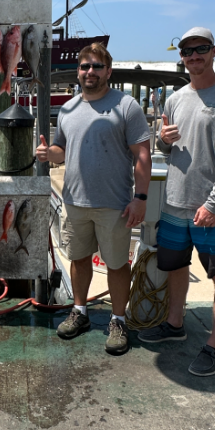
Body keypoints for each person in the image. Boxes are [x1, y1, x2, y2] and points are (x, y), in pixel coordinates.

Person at [138, 28, 215, 377]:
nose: (194, 56)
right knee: (175, 266)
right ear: (182, 56)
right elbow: (164, 151)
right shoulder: (174, 99)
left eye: (201, 49)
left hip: (212, 209)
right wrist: (163, 140)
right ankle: (175, 324)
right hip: (174, 202)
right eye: (187, 51)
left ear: (214, 51)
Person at [36, 42, 152, 355]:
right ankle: (80, 311)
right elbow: (62, 149)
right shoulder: (69, 108)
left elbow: (142, 154)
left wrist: (140, 198)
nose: (90, 72)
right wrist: (50, 154)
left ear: (108, 71)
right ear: (78, 71)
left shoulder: (127, 106)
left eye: (97, 66)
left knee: (116, 264)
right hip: (75, 201)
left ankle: (117, 319)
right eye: (85, 66)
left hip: (114, 203)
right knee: (78, 259)